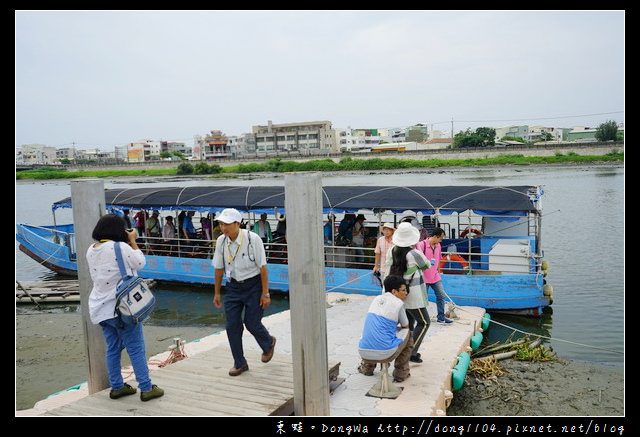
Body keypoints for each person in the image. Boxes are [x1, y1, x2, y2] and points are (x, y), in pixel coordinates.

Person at [85, 214, 164, 402]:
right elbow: (140, 263)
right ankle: (146, 388)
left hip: (100, 308)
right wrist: (133, 241)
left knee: (113, 348)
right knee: (136, 348)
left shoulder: (91, 249)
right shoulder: (119, 247)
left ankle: (117, 387)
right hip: (122, 308)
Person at [212, 208, 276, 376]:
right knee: (232, 326)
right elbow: (219, 268)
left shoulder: (252, 239)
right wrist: (217, 293)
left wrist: (265, 293)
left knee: (252, 323)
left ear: (237, 224)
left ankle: (268, 342)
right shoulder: (221, 241)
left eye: (226, 224)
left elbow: (263, 267)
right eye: (221, 224)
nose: (223, 227)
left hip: (253, 286)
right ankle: (240, 363)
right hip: (233, 286)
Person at [386, 222, 431, 364]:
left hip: (397, 293)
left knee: (408, 323)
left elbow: (388, 267)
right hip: (413, 294)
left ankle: (406, 349)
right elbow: (426, 265)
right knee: (424, 322)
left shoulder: (392, 251)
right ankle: (412, 352)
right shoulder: (414, 253)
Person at [357, 274, 413, 382]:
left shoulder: (376, 299)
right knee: (408, 334)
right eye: (403, 290)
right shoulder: (399, 303)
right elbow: (405, 326)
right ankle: (401, 373)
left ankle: (366, 368)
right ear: (394, 292)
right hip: (386, 353)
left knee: (374, 330)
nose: (406, 293)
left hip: (363, 352)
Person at [415, 227, 453, 324]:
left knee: (441, 295)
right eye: (440, 238)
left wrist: (438, 271)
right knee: (423, 299)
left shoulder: (438, 246)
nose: (441, 240)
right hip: (424, 276)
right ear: (435, 237)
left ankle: (441, 317)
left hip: (435, 276)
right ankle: (422, 319)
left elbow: (438, 259)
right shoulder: (421, 245)